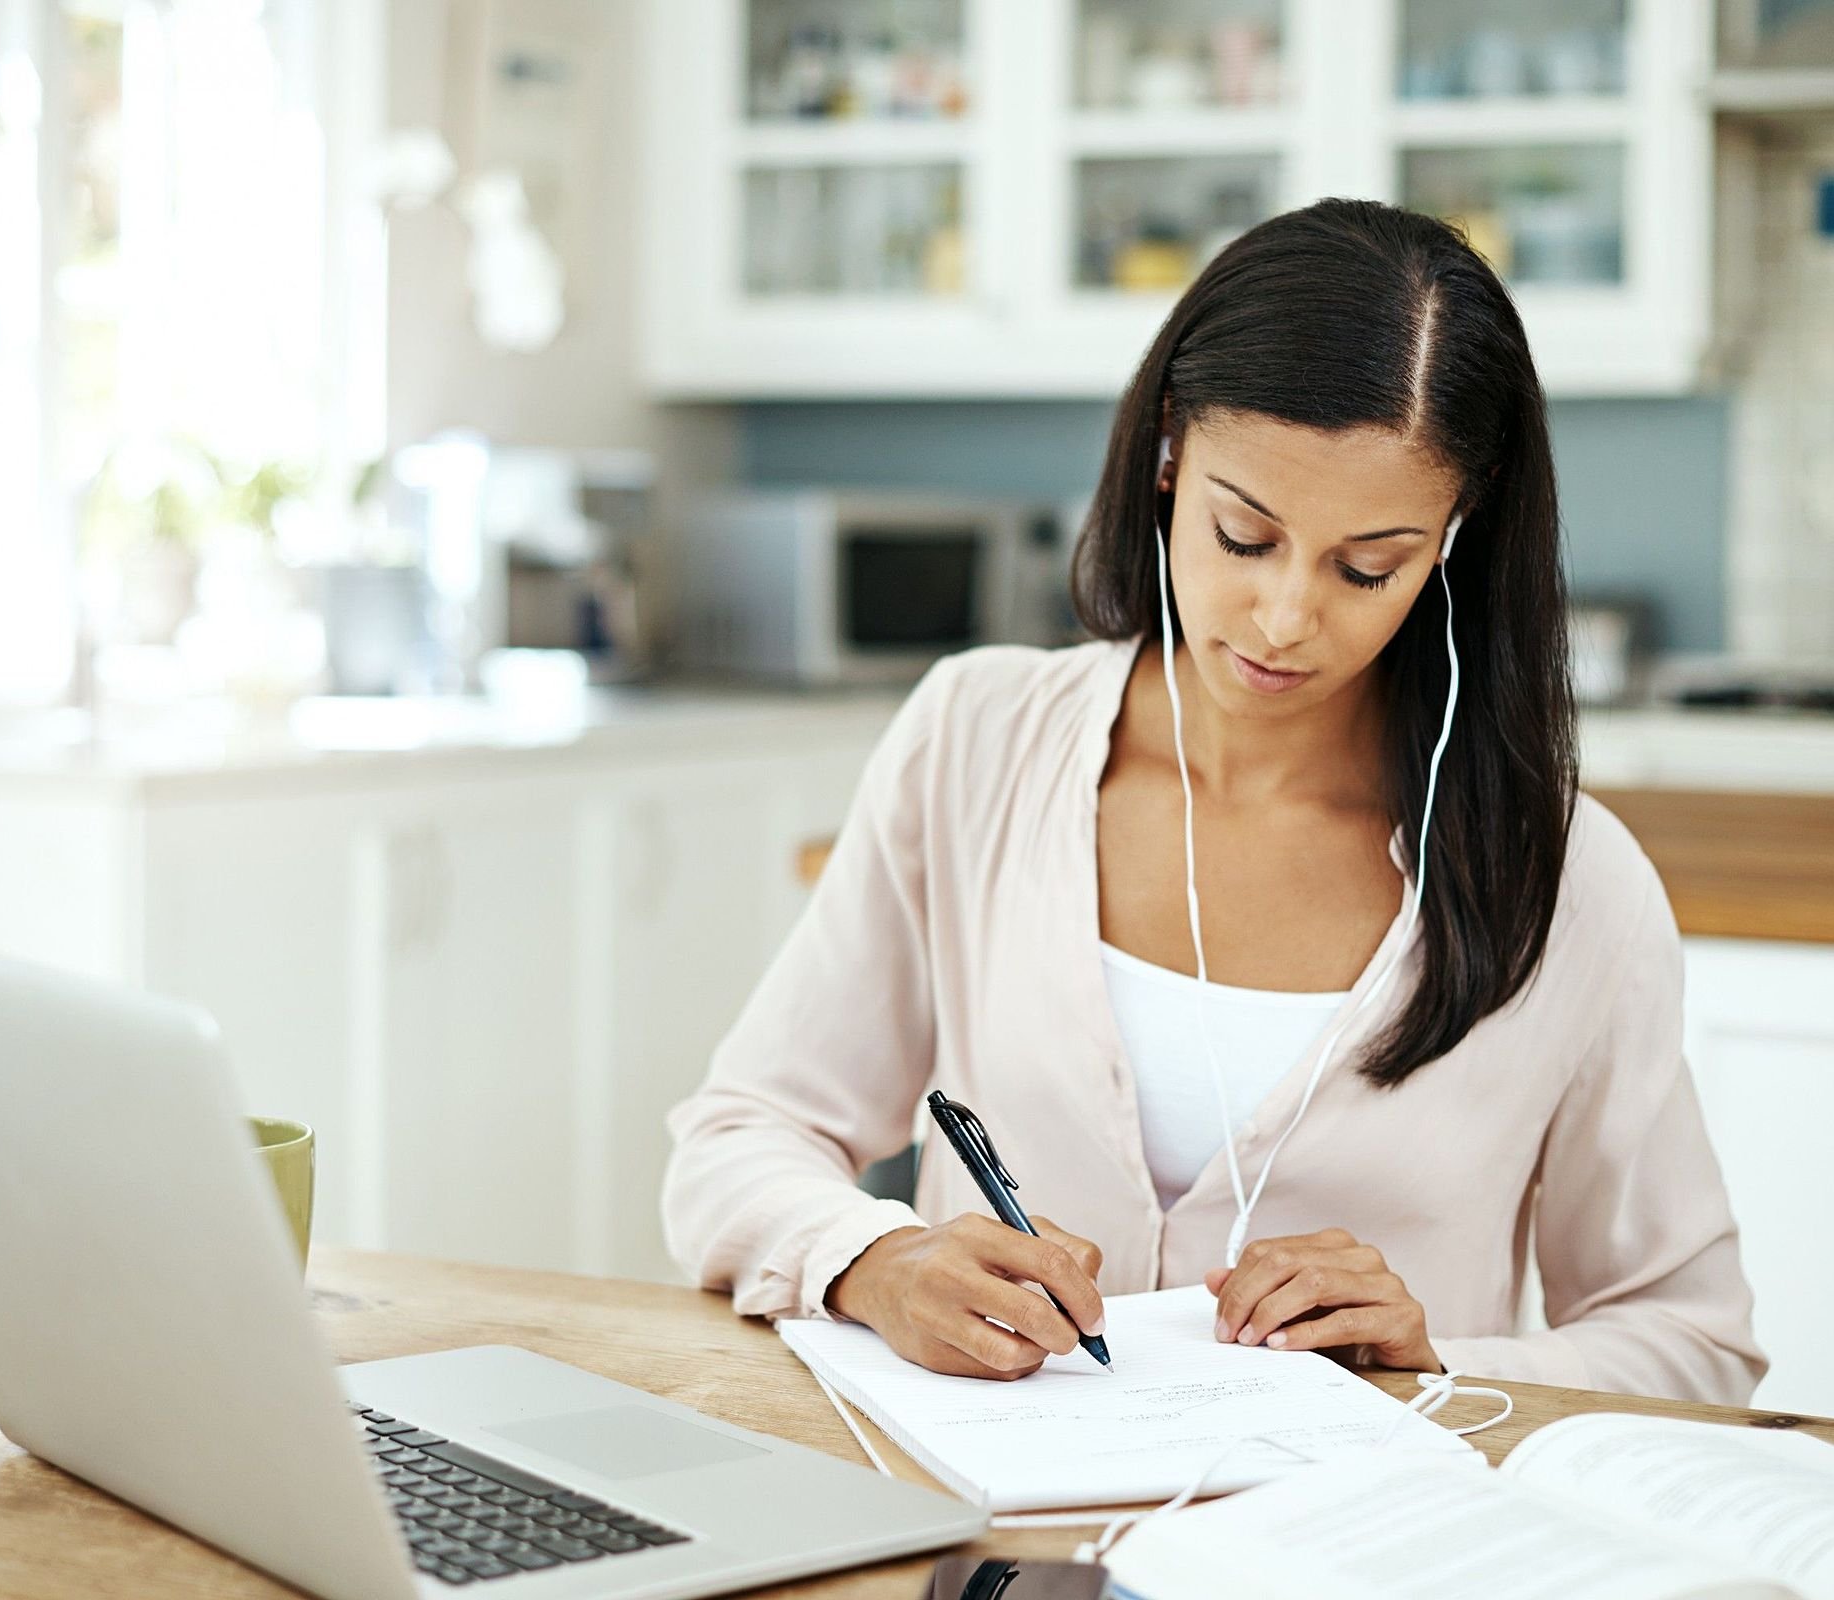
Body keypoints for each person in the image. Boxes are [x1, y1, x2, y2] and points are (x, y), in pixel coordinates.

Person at [662, 198, 1766, 1404]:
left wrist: (1435, 1359)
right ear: (1169, 454)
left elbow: (1693, 1343)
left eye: (1368, 566)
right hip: (1003, 1561)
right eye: (1244, 537)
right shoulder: (977, 740)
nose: (1287, 618)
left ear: (1457, 529)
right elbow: (739, 1137)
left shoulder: (1564, 881)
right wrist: (873, 1258)